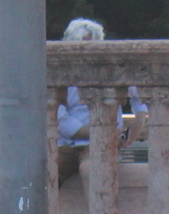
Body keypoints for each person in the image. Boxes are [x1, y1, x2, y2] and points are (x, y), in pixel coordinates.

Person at [53, 17, 139, 185]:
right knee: (40, 172)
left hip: (99, 144)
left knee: (91, 169)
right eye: (84, 45)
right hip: (65, 146)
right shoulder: (60, 75)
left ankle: (98, 212)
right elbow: (60, 121)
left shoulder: (111, 72)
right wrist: (102, 131)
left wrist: (139, 120)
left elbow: (139, 97)